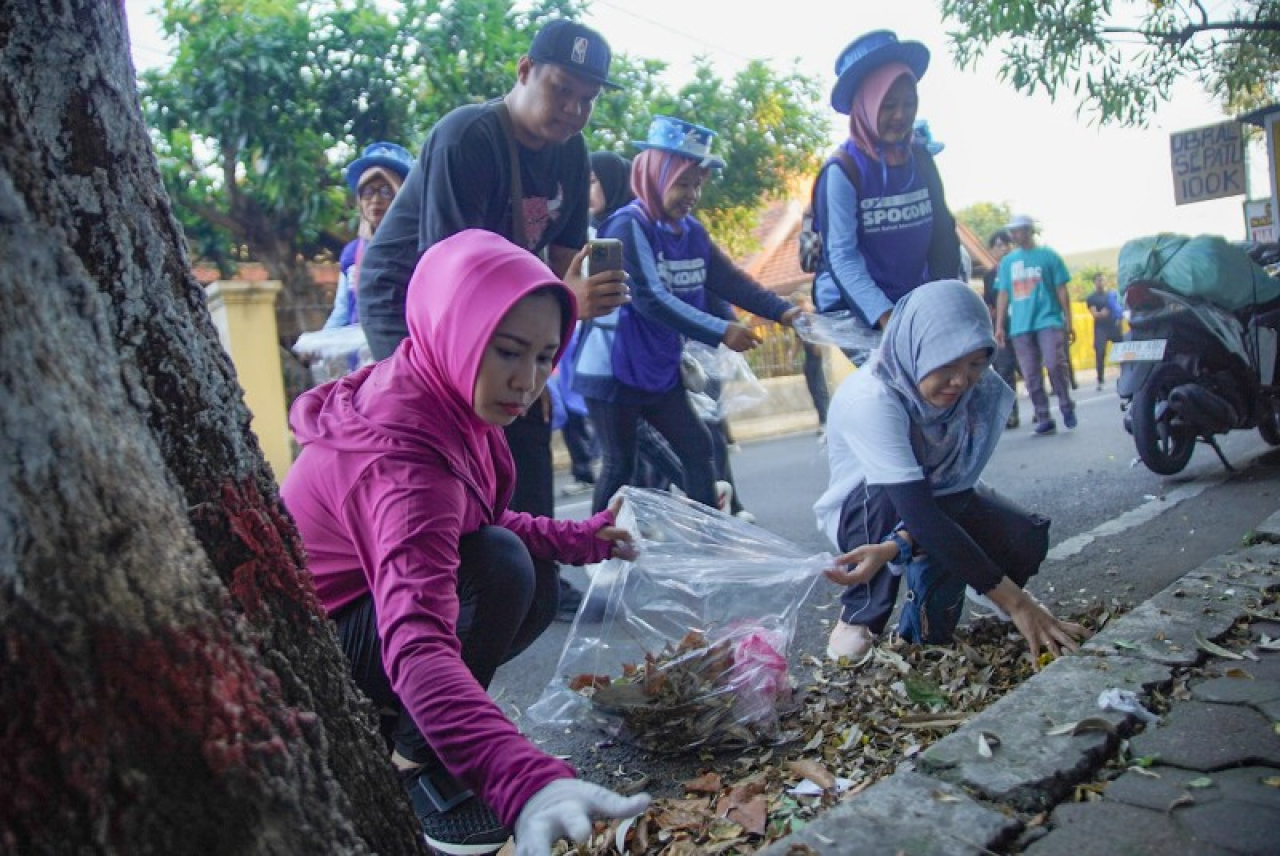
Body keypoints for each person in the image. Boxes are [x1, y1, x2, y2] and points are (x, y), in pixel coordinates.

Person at [280, 231, 649, 855]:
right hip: (309, 653)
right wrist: (523, 779)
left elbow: (481, 516)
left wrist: (582, 538)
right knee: (504, 568)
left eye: (544, 357)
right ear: (457, 329)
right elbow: (418, 642)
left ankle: (414, 729)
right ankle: (413, 766)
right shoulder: (405, 463)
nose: (527, 380)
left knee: (519, 565)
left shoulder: (439, 388)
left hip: (362, 614)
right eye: (508, 351)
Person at [356, 19, 630, 625]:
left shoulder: (570, 149)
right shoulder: (468, 138)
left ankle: (539, 579)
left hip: (505, 306)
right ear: (525, 71)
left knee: (527, 421)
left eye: (588, 99)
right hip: (416, 301)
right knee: (439, 434)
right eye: (562, 89)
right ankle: (428, 581)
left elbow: (559, 259)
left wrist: (548, 352)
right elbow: (453, 276)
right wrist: (564, 299)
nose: (574, 109)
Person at [814, 279, 1090, 663]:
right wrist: (1019, 604)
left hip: (938, 500)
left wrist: (904, 545)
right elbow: (919, 512)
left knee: (1023, 537)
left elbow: (955, 490)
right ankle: (860, 613)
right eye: (945, 363)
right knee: (881, 495)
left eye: (975, 363)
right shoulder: (873, 398)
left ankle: (977, 582)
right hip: (868, 510)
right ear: (917, 349)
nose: (961, 380)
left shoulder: (981, 391)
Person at [574, 115, 800, 513]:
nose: (692, 194)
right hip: (612, 368)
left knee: (698, 447)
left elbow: (730, 281)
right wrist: (721, 330)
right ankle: (599, 556)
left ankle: (707, 540)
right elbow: (649, 299)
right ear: (653, 177)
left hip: (659, 368)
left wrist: (784, 312)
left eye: (697, 184)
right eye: (682, 183)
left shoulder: (691, 232)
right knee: (619, 463)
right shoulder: (628, 226)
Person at [810, 30, 961, 355]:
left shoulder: (920, 159)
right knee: (898, 390)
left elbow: (943, 235)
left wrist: (945, 303)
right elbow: (843, 256)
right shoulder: (842, 170)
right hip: (854, 308)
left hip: (911, 300)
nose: (900, 115)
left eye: (909, 103)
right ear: (864, 106)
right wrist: (886, 317)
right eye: (888, 105)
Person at [994, 214, 1077, 435]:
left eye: (1018, 230)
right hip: (1021, 325)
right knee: (1030, 374)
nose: (1014, 235)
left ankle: (1066, 404)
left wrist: (1068, 320)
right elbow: (1003, 294)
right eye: (1012, 231)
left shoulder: (1049, 257)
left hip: (1048, 320)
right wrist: (999, 326)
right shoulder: (1008, 263)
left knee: (1053, 364)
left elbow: (1062, 290)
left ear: (1029, 230)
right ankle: (1043, 416)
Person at [323, 142, 414, 330]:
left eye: (386, 191)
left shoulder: (418, 247)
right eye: (367, 191)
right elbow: (342, 312)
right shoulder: (351, 253)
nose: (375, 200)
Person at [982, 228, 1021, 428]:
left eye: (1007, 244)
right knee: (1004, 372)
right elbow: (989, 302)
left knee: (1028, 370)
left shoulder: (1022, 269)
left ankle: (1042, 412)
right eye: (999, 245)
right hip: (1002, 331)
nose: (1004, 248)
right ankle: (1011, 415)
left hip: (1024, 327)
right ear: (992, 250)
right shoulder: (989, 277)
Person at [1086, 271, 1124, 389]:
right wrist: (1102, 313)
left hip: (1114, 326)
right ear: (1094, 283)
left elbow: (1119, 309)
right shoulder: (1092, 298)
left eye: (1103, 280)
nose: (1101, 283)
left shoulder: (1112, 295)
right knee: (1100, 352)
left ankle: (1125, 375)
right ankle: (1100, 379)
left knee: (1122, 352)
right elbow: (1095, 314)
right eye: (1099, 280)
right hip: (1100, 328)